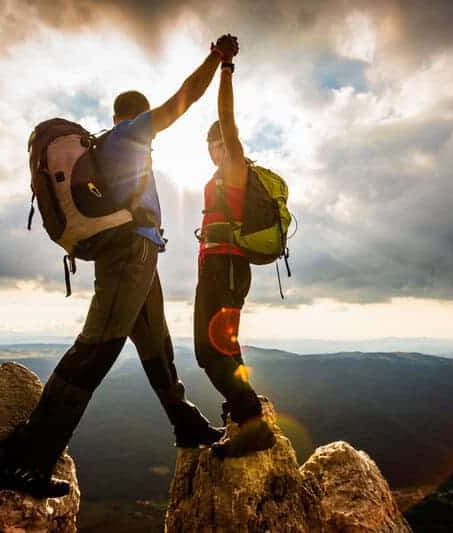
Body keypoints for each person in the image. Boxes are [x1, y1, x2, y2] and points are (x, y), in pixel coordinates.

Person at [0, 35, 241, 498]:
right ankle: (28, 462)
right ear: (133, 117)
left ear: (111, 116)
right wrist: (218, 60)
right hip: (128, 257)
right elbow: (184, 99)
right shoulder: (131, 135)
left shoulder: (108, 143)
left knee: (158, 349)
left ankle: (186, 424)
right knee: (95, 350)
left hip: (140, 258)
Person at [195, 37, 276, 458]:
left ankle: (251, 424)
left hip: (225, 268)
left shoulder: (236, 165)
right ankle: (243, 413)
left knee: (207, 351)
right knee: (225, 347)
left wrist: (225, 68)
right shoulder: (222, 177)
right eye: (211, 143)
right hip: (221, 267)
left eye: (219, 141)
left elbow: (226, 117)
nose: (216, 147)